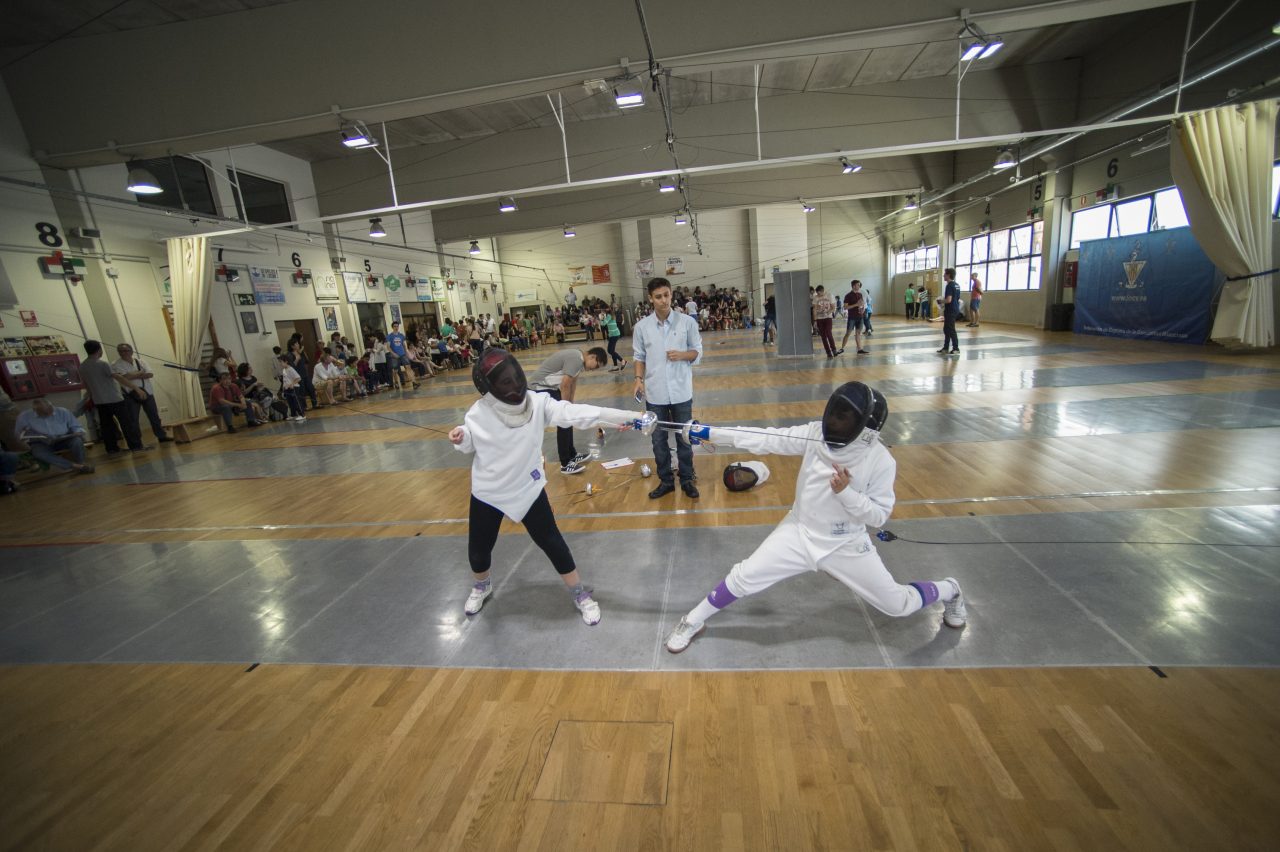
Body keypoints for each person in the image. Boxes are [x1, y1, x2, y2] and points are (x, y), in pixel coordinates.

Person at [663, 382, 967, 654]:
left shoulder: (880, 461)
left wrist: (847, 493)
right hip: (799, 530)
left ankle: (950, 588)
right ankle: (692, 620)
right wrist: (709, 433)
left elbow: (878, 516)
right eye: (835, 414)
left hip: (845, 542)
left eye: (844, 419)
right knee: (743, 577)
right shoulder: (815, 434)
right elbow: (764, 438)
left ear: (866, 430)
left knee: (897, 605)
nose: (833, 423)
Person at [449, 348, 654, 626]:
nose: (513, 385)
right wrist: (461, 437)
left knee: (552, 542)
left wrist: (628, 417)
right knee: (479, 548)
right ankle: (482, 585)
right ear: (489, 388)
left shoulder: (538, 403)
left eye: (513, 377)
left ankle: (579, 592)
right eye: (504, 382)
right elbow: (469, 442)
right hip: (489, 491)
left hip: (526, 488)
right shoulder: (478, 412)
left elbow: (579, 413)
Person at [632, 277, 704, 499]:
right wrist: (638, 379)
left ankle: (687, 479)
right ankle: (666, 481)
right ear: (650, 299)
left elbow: (697, 352)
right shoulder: (642, 327)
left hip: (682, 392)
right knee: (658, 440)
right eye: (658, 297)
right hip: (656, 394)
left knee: (684, 437)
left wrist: (682, 354)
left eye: (666, 295)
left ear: (671, 294)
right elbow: (639, 356)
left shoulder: (687, 323)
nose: (664, 300)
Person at [528, 346, 608, 474]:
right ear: (592, 357)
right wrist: (565, 408)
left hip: (549, 388)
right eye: (596, 365)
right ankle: (565, 463)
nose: (594, 369)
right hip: (537, 388)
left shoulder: (579, 361)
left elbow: (572, 384)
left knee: (568, 416)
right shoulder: (576, 358)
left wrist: (570, 405)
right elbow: (565, 384)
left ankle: (572, 454)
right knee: (564, 419)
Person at [81, 339, 147, 455]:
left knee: (106, 426)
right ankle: (136, 446)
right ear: (99, 350)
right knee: (126, 423)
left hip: (99, 400)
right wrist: (136, 388)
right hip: (114, 398)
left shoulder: (83, 366)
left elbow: (86, 385)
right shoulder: (102, 364)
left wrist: (90, 397)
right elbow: (119, 377)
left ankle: (112, 448)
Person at [112, 343, 173, 443]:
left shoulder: (140, 361)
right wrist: (140, 372)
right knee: (133, 419)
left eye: (126, 350)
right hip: (130, 394)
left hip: (147, 391)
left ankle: (161, 436)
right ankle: (137, 441)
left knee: (154, 416)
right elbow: (124, 378)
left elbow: (150, 374)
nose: (124, 353)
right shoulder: (116, 364)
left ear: (131, 351)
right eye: (121, 351)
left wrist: (132, 375)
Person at [16, 397, 94, 474]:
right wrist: (26, 438)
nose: (48, 414)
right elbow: (19, 434)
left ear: (52, 406)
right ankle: (75, 466)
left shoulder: (63, 411)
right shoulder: (25, 416)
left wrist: (78, 432)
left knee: (77, 441)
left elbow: (76, 426)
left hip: (63, 439)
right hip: (41, 442)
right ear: (35, 411)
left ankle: (82, 463)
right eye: (44, 413)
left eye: (50, 410)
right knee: (38, 453)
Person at [839, 280, 869, 355]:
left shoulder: (860, 294)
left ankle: (860, 349)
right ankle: (842, 348)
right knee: (848, 333)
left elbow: (861, 304)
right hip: (852, 317)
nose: (859, 286)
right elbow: (845, 307)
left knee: (858, 333)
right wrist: (855, 305)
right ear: (853, 286)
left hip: (860, 317)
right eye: (858, 285)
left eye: (859, 285)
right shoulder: (848, 295)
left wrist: (862, 309)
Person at [939, 268, 961, 355]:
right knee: (946, 329)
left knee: (950, 329)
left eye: (945, 274)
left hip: (950, 310)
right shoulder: (957, 285)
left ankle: (956, 348)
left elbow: (948, 300)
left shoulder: (949, 285)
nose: (943, 275)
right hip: (955, 308)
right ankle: (945, 347)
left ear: (948, 275)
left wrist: (940, 301)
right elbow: (957, 298)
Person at [278, 355, 306, 422]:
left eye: (281, 362)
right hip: (287, 389)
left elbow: (298, 378)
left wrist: (292, 384)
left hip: (294, 388)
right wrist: (283, 389)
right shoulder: (284, 370)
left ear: (286, 361)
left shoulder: (291, 369)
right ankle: (293, 415)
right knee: (290, 403)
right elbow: (284, 380)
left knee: (296, 402)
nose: (280, 364)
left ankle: (302, 415)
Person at [812, 285, 838, 357]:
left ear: (822, 291)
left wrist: (828, 312)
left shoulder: (829, 295)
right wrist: (815, 320)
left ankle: (834, 350)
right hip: (819, 319)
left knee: (829, 333)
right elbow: (814, 309)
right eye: (817, 293)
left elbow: (833, 307)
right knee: (823, 336)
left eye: (819, 293)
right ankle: (828, 352)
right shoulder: (815, 297)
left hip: (828, 318)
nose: (818, 295)